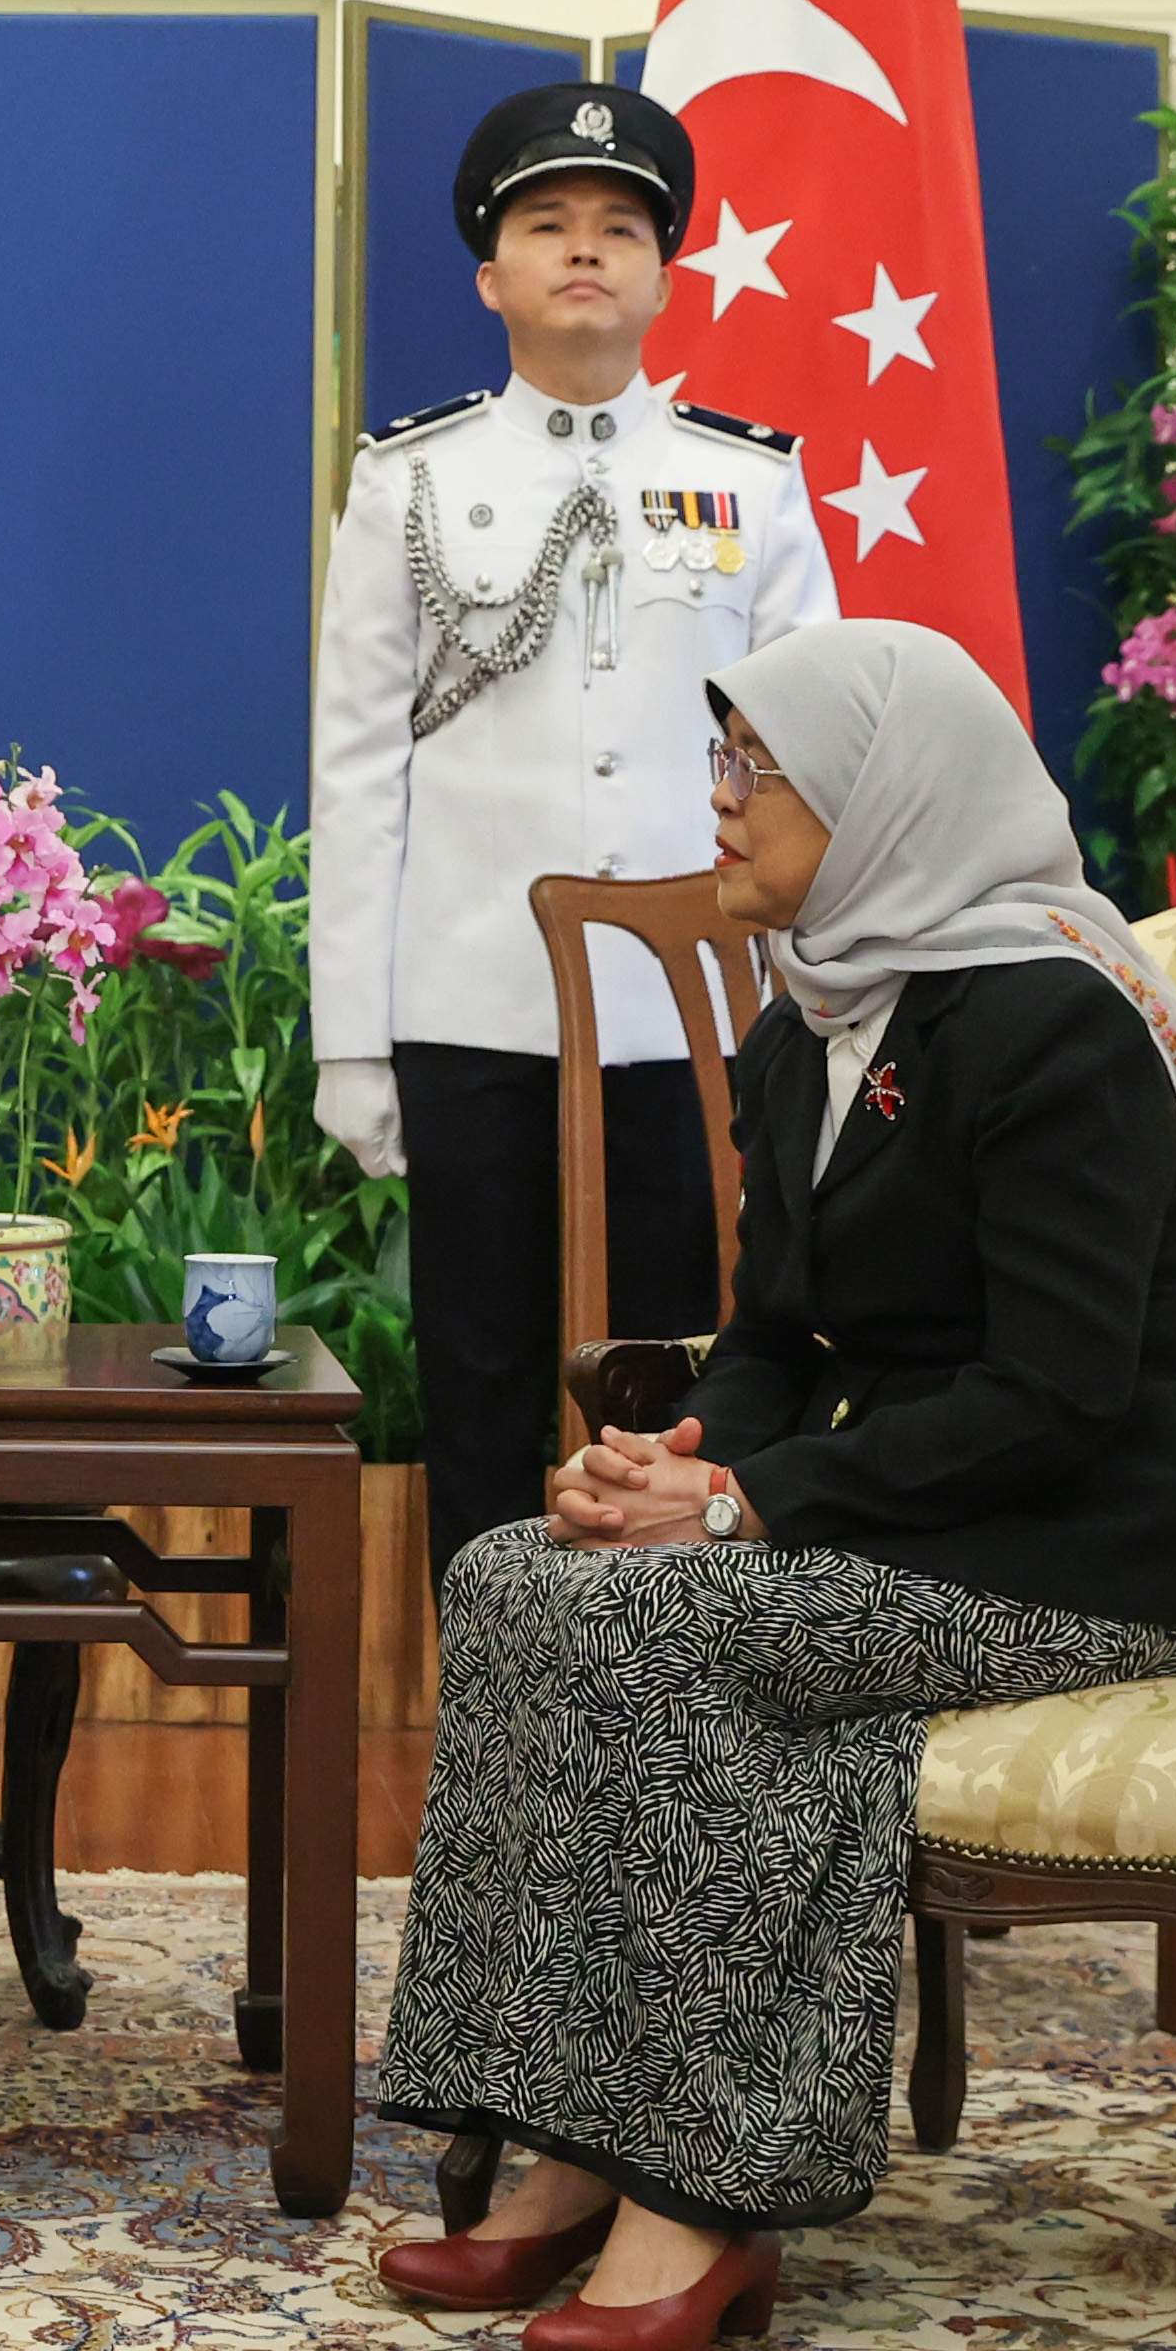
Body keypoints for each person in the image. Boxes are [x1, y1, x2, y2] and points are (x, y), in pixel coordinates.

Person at [367, 616, 1176, 2351]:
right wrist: (675, 1462)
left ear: (883, 793)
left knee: (681, 1627)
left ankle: (697, 2191)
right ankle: (565, 2135)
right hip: (906, 1518)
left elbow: (1059, 1395)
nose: (721, 806)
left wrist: (746, 1511)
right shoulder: (818, 1019)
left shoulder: (1052, 1020)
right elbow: (772, 1336)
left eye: (750, 773)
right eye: (722, 767)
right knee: (516, 1571)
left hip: (1085, 1544)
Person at [307, 77, 840, 1577]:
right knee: (479, 1367)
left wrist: (826, 998)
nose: (584, 251)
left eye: (619, 226)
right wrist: (354, 1037)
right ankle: (492, 1721)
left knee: (685, 1370)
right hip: (474, 1001)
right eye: (546, 224)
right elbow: (355, 765)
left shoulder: (748, 478)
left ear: (666, 272)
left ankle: (670, 1697)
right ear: (492, 275)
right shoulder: (410, 479)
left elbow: (820, 755)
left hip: (701, 1019)